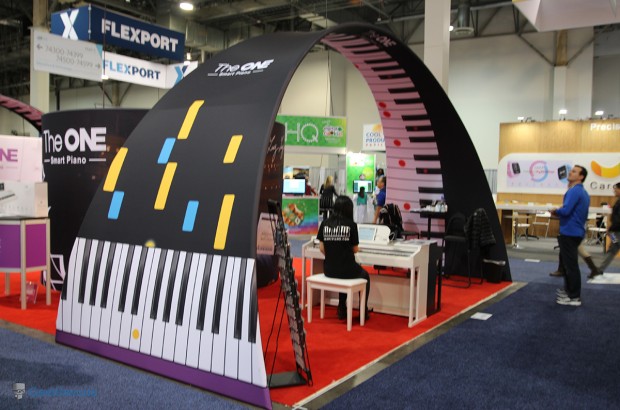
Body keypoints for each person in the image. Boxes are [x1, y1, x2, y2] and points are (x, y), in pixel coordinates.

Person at [316, 195, 371, 320]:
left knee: (343, 270)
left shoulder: (325, 223)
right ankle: (363, 310)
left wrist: (334, 254)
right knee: (365, 275)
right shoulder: (351, 225)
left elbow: (321, 248)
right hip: (347, 269)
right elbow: (355, 249)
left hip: (329, 270)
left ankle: (341, 307)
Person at [551, 165, 590, 306]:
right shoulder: (581, 191)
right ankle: (569, 291)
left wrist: (555, 211)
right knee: (569, 265)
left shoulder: (575, 191)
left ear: (581, 177)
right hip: (574, 231)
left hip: (570, 232)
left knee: (570, 266)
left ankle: (574, 296)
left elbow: (566, 211)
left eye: (574, 171)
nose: (570, 173)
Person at [593, 182, 620, 277]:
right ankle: (600, 269)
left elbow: (618, 219)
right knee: (613, 248)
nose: (614, 190)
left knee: (613, 248)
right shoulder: (618, 201)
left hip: (617, 231)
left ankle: (600, 269)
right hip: (615, 231)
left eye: (616, 188)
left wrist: (611, 229)